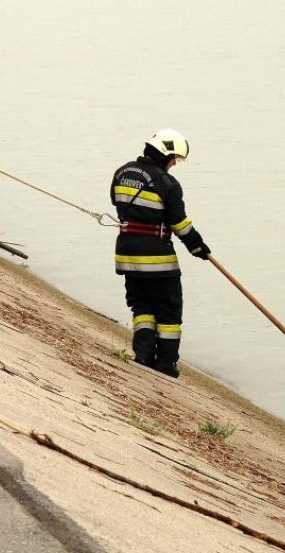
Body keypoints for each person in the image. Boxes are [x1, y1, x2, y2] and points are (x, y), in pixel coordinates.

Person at [110, 129, 211, 378]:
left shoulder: (123, 172)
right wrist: (199, 247)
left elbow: (116, 201)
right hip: (158, 259)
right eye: (174, 157)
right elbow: (180, 224)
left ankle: (143, 356)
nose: (175, 163)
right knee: (168, 312)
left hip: (127, 255)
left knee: (141, 307)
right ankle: (166, 364)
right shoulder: (167, 184)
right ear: (165, 153)